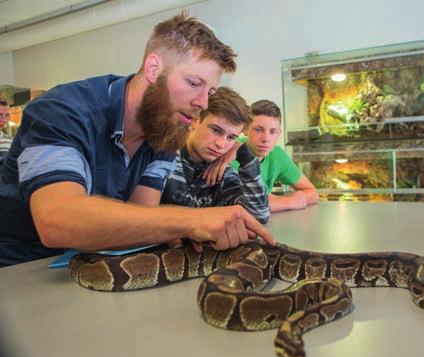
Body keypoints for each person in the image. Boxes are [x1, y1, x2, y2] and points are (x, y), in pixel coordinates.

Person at [0, 12, 274, 267]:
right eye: (193, 83)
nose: (202, 103)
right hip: (19, 270)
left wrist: (186, 231)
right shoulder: (63, 111)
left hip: (87, 266)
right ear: (153, 68)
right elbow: (57, 221)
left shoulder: (164, 130)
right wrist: (191, 219)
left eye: (210, 91)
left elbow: (143, 215)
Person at [161, 86, 270, 224]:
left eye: (231, 137)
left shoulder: (221, 171)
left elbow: (259, 215)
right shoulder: (163, 154)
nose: (221, 144)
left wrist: (244, 154)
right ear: (195, 120)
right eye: (216, 130)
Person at [204, 99, 318, 212]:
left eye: (273, 131)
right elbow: (246, 206)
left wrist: (276, 200)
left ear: (279, 133)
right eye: (258, 130)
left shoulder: (277, 155)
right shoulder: (231, 152)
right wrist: (292, 201)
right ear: (246, 129)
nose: (266, 139)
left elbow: (312, 193)